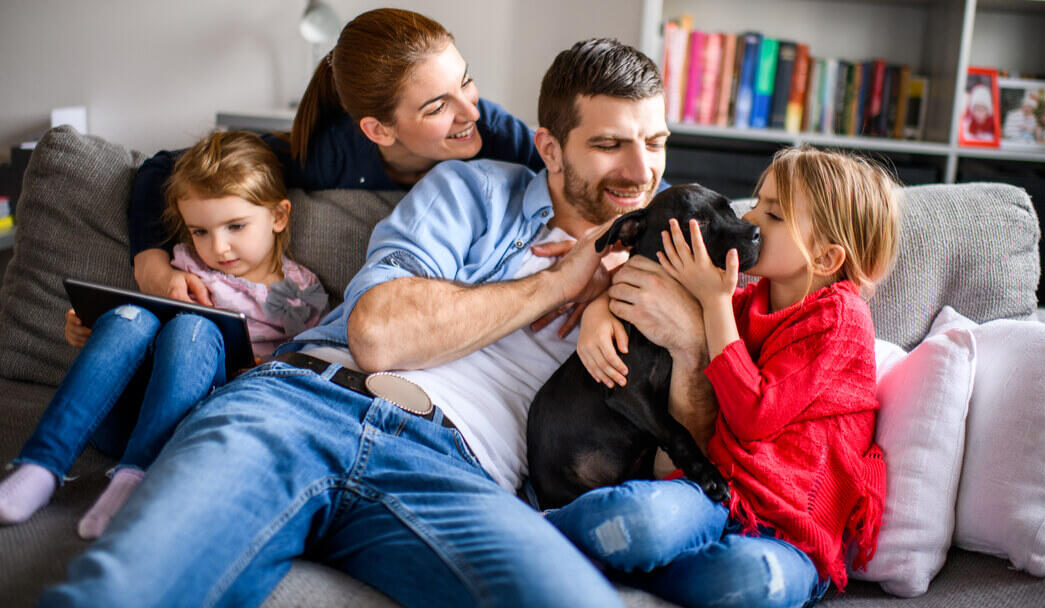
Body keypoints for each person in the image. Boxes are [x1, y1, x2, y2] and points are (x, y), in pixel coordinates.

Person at [41, 38, 669, 608]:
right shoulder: (471, 190)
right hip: (304, 404)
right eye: (611, 144)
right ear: (551, 149)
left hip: (456, 472)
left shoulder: (671, 264)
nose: (641, 173)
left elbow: (701, 434)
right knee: (126, 590)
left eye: (657, 143)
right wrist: (560, 283)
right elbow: (379, 334)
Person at [549, 146, 901, 607]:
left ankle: (633, 567)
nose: (751, 218)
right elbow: (652, 293)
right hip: (715, 495)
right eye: (756, 201)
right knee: (636, 521)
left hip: (791, 536)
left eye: (773, 215)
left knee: (753, 579)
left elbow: (755, 414)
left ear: (826, 256)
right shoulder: (744, 302)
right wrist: (598, 305)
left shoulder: (840, 320)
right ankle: (540, 529)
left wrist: (714, 304)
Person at [0, 131, 326, 540]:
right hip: (120, 415)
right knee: (129, 316)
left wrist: (265, 369)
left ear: (278, 217)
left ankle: (135, 480)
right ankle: (40, 466)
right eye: (200, 231)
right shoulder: (183, 264)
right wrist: (87, 329)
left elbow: (313, 368)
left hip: (196, 421)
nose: (219, 247)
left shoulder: (295, 293)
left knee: (195, 326)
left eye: (235, 226)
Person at [130, 8, 544, 305]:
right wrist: (152, 266)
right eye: (437, 107)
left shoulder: (495, 132)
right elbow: (163, 168)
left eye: (466, 81)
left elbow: (573, 180)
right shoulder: (331, 155)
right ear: (379, 130)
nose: (470, 111)